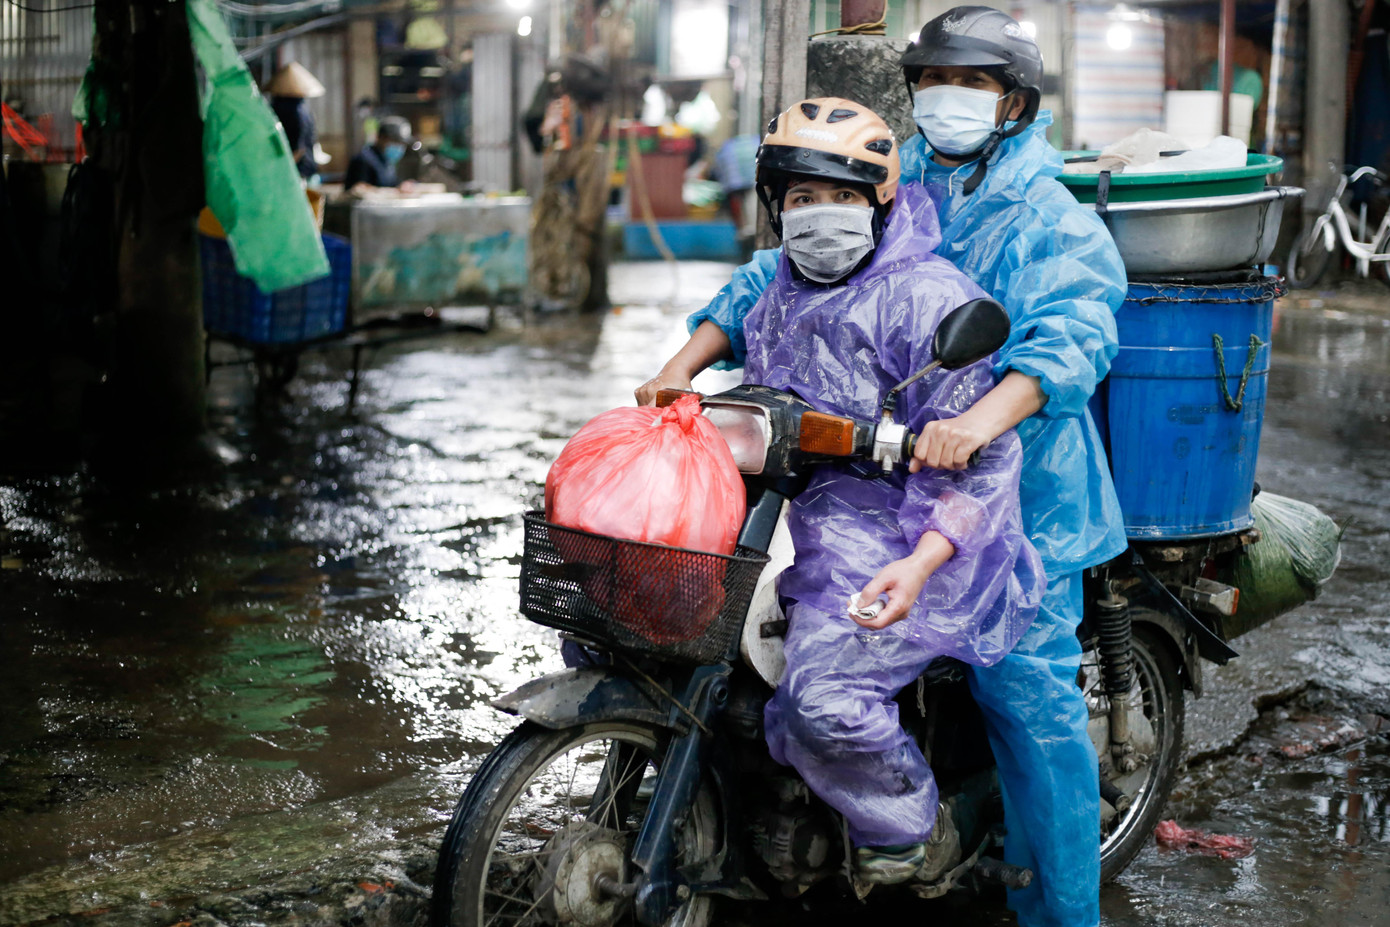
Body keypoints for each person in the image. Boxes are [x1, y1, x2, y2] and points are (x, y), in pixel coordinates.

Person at [635, 7, 1127, 926]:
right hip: (883, 467)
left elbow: (1073, 339)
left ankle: (1064, 912)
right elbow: (774, 276)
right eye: (937, 82)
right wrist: (683, 367)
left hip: (1023, 484)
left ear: (1014, 101)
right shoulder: (907, 176)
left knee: (1025, 698)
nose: (950, 101)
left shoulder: (1048, 214)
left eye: (974, 85)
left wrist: (977, 423)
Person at [731, 97, 1045, 885]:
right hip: (812, 525)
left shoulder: (925, 297)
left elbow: (984, 464)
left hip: (922, 541)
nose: (820, 215)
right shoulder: (781, 291)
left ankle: (908, 820)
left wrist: (921, 562)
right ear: (776, 207)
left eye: (842, 195)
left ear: (882, 199)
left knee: (824, 695)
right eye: (802, 197)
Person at [266, 62, 325, 182]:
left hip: (297, 171)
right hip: (303, 169)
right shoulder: (303, 109)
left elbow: (298, 149)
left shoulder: (292, 112)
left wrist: (282, 172)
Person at [345, 116, 412, 191]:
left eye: (402, 143)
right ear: (381, 138)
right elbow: (359, 189)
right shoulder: (363, 159)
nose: (399, 146)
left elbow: (391, 184)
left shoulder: (386, 161)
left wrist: (402, 185)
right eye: (395, 141)